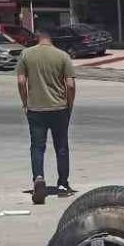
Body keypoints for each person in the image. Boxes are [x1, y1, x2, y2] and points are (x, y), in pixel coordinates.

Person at [16, 25, 76, 205]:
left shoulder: (26, 55)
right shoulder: (62, 56)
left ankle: (39, 178)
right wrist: (69, 104)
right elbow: (71, 85)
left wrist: (25, 102)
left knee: (37, 146)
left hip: (36, 109)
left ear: (38, 37)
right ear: (52, 38)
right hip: (59, 108)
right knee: (61, 147)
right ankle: (63, 185)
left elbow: (20, 81)